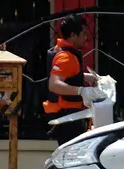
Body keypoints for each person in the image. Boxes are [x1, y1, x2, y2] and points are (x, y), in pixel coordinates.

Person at [43, 13, 107, 147]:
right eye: (83, 34)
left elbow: (68, 76)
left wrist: (85, 77)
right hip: (68, 119)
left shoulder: (66, 53)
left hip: (70, 117)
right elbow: (54, 84)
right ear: (72, 35)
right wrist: (81, 91)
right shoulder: (66, 57)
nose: (86, 37)